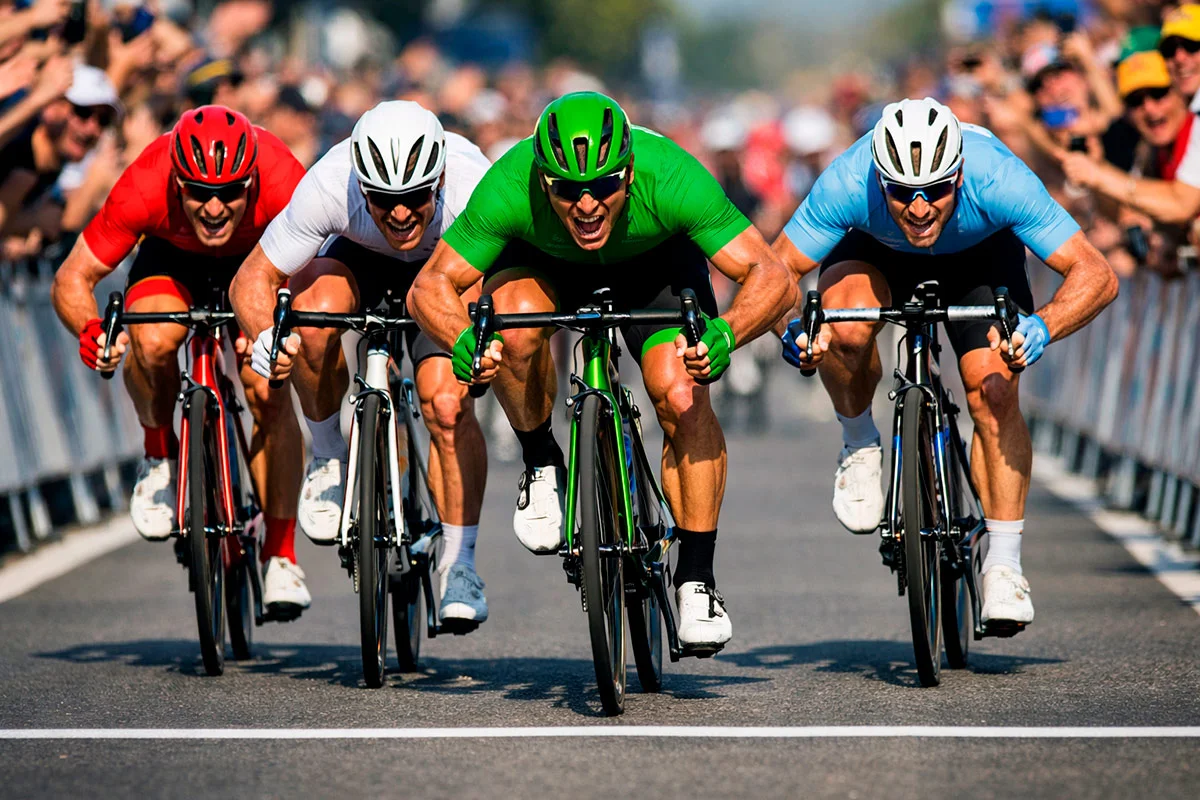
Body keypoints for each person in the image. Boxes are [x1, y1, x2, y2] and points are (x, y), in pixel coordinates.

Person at [406, 91, 797, 651]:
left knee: (680, 391)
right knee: (511, 330)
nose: (587, 204)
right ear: (544, 181)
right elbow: (431, 285)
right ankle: (542, 459)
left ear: (630, 170)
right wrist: (463, 340)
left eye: (606, 185)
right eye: (567, 189)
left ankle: (696, 578)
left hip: (654, 266)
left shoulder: (671, 175)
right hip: (546, 264)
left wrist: (726, 333)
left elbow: (772, 274)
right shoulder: (511, 183)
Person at [775, 97, 1118, 629]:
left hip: (979, 257)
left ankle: (1003, 565)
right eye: (901, 192)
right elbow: (774, 274)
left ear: (958, 175)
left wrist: (1042, 325)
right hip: (875, 250)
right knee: (843, 325)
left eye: (935, 190)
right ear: (879, 179)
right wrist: (793, 330)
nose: (918, 208)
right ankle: (859, 440)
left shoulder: (1000, 177)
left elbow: (1096, 273)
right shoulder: (849, 179)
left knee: (994, 388)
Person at [228, 101, 493, 629]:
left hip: (445, 272)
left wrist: (480, 347)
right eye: (382, 200)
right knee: (312, 315)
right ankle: (328, 453)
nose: (399, 215)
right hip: (358, 263)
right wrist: (264, 339)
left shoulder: (473, 183)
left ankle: (460, 564)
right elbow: (252, 279)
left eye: (415, 198)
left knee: (444, 401)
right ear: (361, 185)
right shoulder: (331, 182)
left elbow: (503, 284)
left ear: (439, 180)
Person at [50, 106, 312, 616]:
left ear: (253, 180)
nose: (214, 208)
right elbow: (71, 277)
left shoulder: (284, 178)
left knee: (265, 388)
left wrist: (269, 333)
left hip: (258, 263)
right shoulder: (146, 181)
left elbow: (317, 280)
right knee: (150, 339)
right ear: (176, 182)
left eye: (230, 192)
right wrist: (91, 330)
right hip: (171, 259)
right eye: (198, 192)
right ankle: (158, 454)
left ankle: (281, 555)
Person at [1061, 51, 1200, 227]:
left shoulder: (1197, 127)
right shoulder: (1150, 154)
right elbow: (1120, 213)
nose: (1149, 108)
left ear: (1180, 93)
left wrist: (1098, 174)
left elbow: (1180, 205)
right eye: (1135, 101)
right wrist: (1098, 166)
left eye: (1158, 94)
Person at [0, 64, 119, 237]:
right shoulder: (18, 153)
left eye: (103, 120)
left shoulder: (55, 163)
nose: (93, 128)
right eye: (83, 112)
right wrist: (32, 221)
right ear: (52, 107)